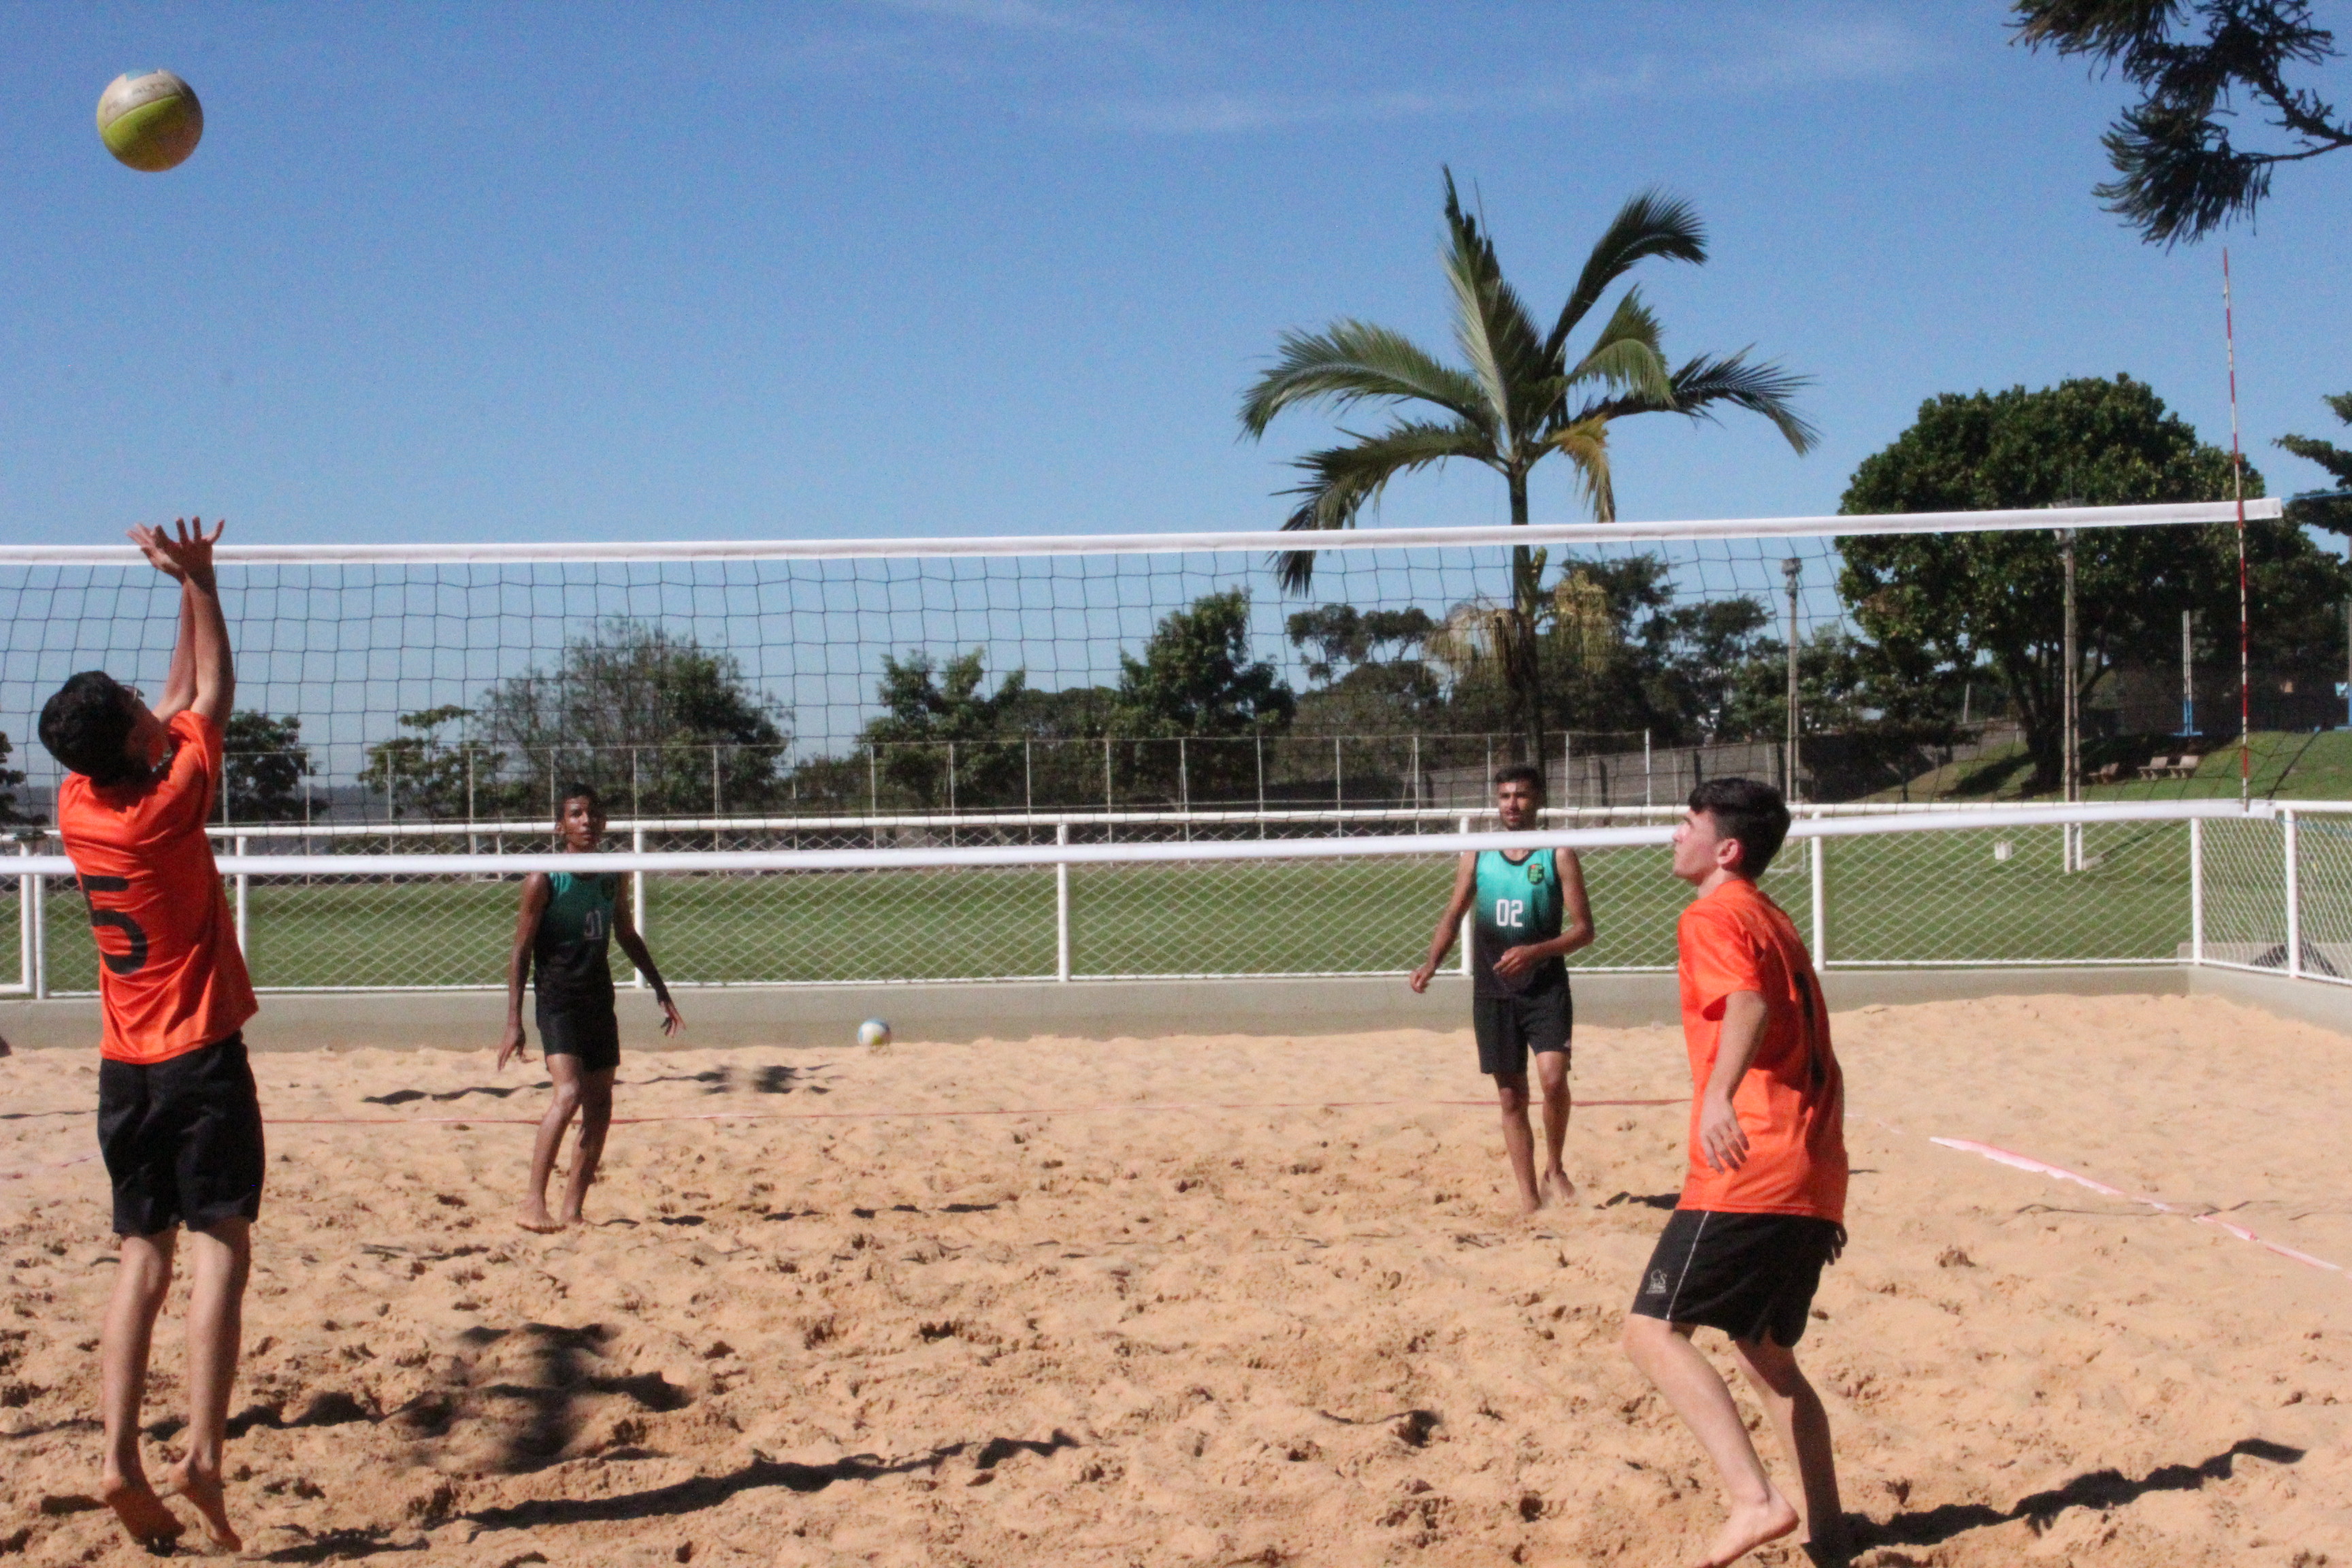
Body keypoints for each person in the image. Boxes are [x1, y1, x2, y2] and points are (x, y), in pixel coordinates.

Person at [39, 519, 257, 1554]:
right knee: (220, 1249)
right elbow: (207, 697)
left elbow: (169, 705)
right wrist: (206, 581)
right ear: (135, 740)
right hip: (198, 1059)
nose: (148, 700)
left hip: (122, 1070)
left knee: (142, 1255)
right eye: (135, 707)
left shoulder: (75, 802)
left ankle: (119, 1451)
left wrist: (179, 589)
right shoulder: (168, 802)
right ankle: (204, 1453)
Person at [1621, 778, 1848, 1567]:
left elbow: (1746, 1004)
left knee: (1651, 1331)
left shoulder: (1713, 912)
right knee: (1767, 1355)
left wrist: (1718, 1094)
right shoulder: (1770, 915)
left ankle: (1755, 1501)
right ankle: (1832, 1531)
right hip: (1815, 1170)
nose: (1672, 836)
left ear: (1726, 849)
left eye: (1686, 824)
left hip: (1751, 1162)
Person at [1409, 762, 1595, 1213]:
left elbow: (1584, 930)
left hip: (1545, 987)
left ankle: (1555, 1166)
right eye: (1506, 796)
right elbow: (1453, 914)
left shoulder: (1557, 854)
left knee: (1553, 1080)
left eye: (1522, 796)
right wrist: (1432, 962)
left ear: (1538, 800)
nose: (1513, 804)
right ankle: (1529, 1198)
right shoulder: (1478, 853)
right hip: (1494, 992)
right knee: (1511, 1095)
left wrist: (1535, 951)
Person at [497, 783, 681, 1231]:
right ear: (561, 826)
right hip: (558, 1000)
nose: (587, 821)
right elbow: (521, 951)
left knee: (600, 1104)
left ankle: (573, 1211)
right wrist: (513, 1022)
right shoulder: (543, 880)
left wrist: (660, 986)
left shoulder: (610, 875)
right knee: (569, 1093)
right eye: (577, 814)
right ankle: (532, 1202)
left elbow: (625, 933)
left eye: (593, 814)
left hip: (600, 999)